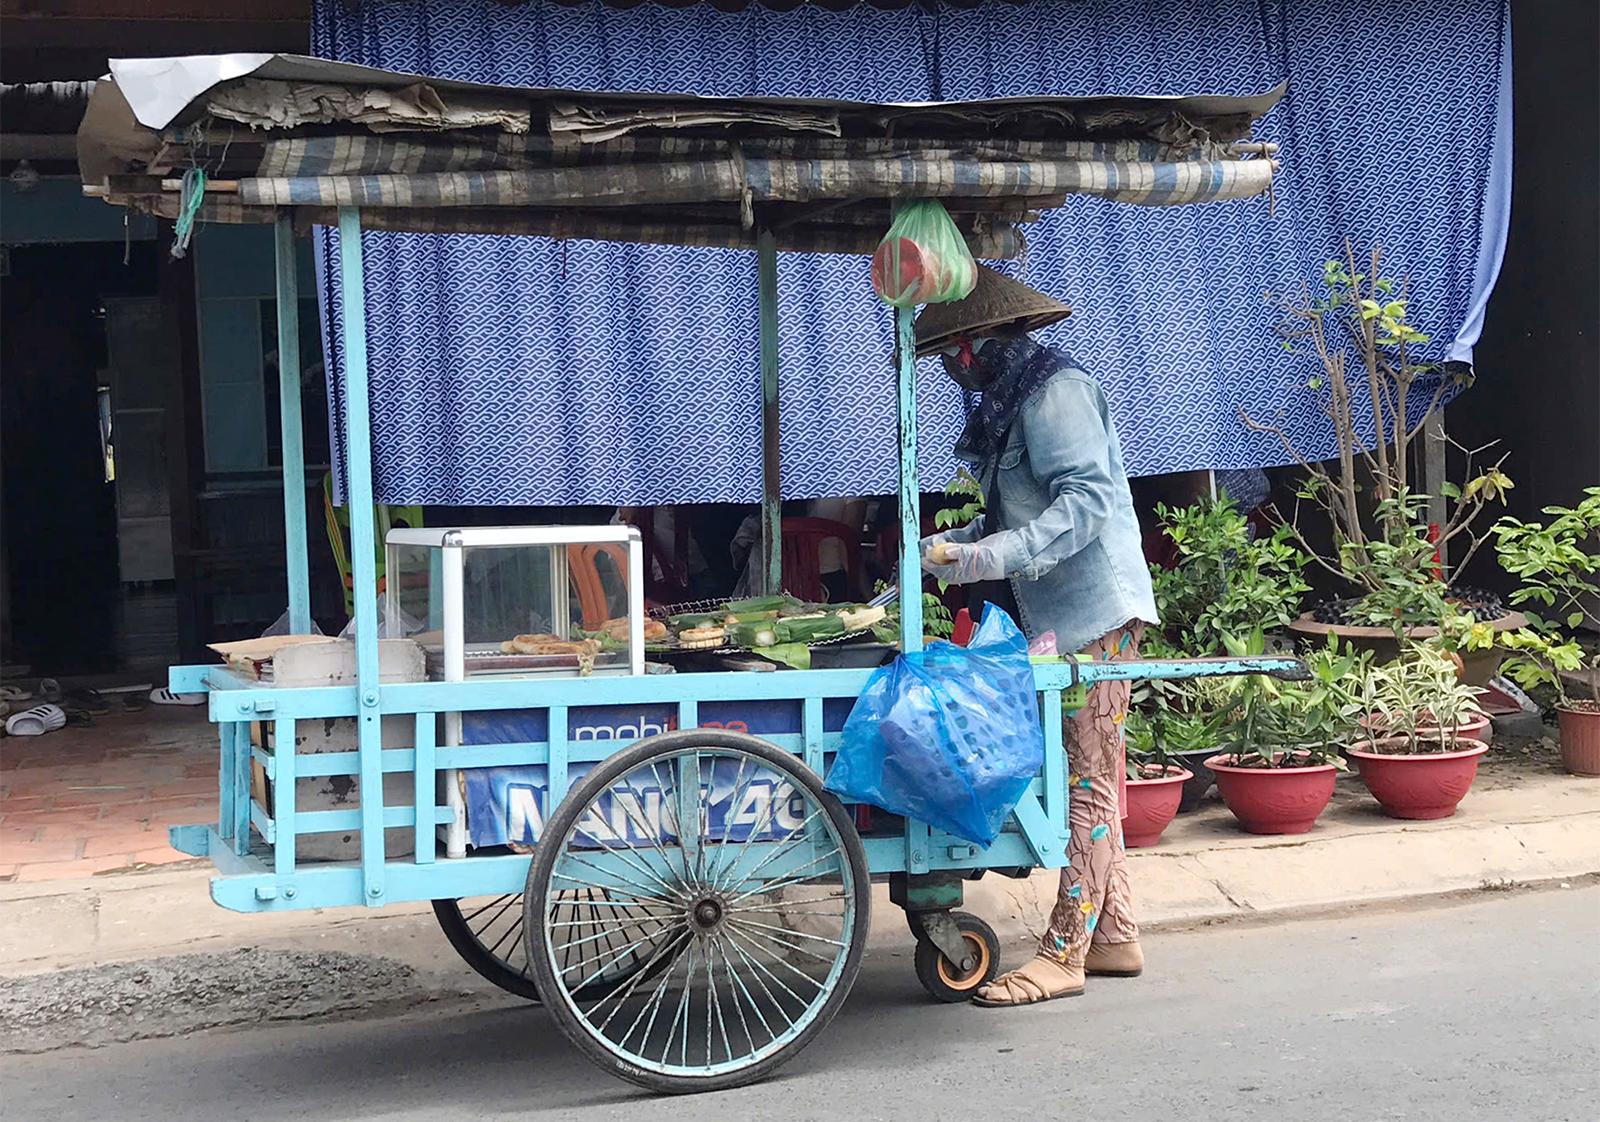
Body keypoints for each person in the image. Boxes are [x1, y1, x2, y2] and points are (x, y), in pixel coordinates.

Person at [916, 265, 1159, 1007]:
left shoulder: (1056, 393)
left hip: (1098, 615)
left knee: (1086, 784)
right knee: (1094, 777)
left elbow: (1084, 506)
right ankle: (1113, 935)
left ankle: (1064, 953)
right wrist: (942, 552)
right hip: (1057, 618)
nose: (955, 364)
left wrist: (988, 557)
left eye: (957, 347)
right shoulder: (1010, 404)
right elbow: (1008, 521)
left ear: (986, 336)